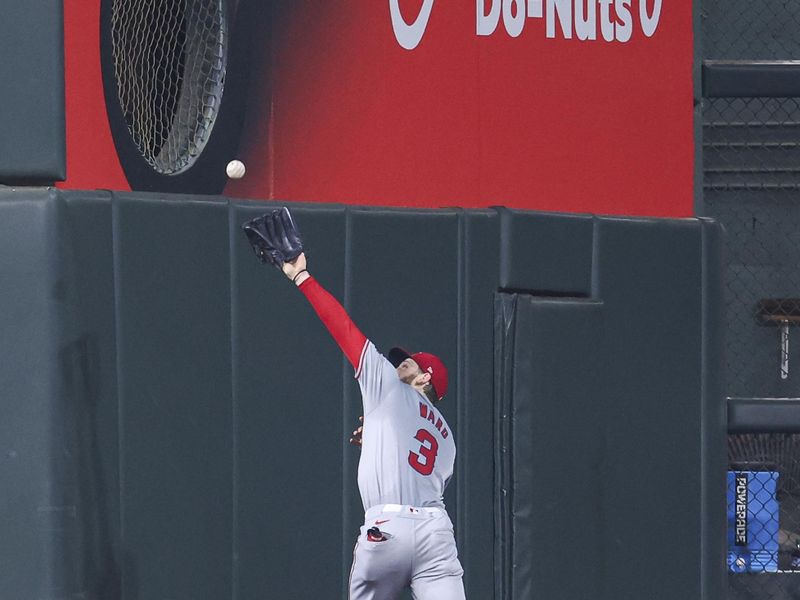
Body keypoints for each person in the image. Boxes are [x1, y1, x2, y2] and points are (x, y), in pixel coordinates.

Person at [281, 252, 466, 599]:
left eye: (408, 363)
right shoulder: (448, 439)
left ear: (425, 376)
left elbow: (343, 328)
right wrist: (381, 435)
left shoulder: (389, 385)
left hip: (389, 528)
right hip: (436, 533)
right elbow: (416, 466)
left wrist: (301, 276)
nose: (399, 366)